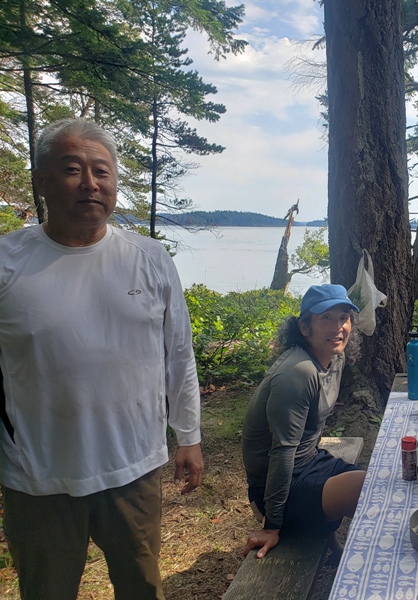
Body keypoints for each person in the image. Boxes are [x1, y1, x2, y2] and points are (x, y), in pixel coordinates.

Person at [0, 119, 203, 600]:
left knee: (142, 587)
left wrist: (189, 437)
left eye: (102, 171)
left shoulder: (149, 258)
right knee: (45, 591)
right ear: (43, 180)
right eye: (72, 169)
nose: (90, 183)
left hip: (133, 467)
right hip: (37, 474)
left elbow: (179, 354)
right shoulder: (8, 262)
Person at [241, 284, 366, 560]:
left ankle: (353, 559)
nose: (338, 327)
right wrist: (272, 525)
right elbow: (282, 453)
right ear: (305, 327)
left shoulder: (335, 357)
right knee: (365, 489)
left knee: (373, 484)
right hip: (277, 490)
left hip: (308, 461)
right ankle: (371, 569)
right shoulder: (298, 373)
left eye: (344, 317)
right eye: (326, 318)